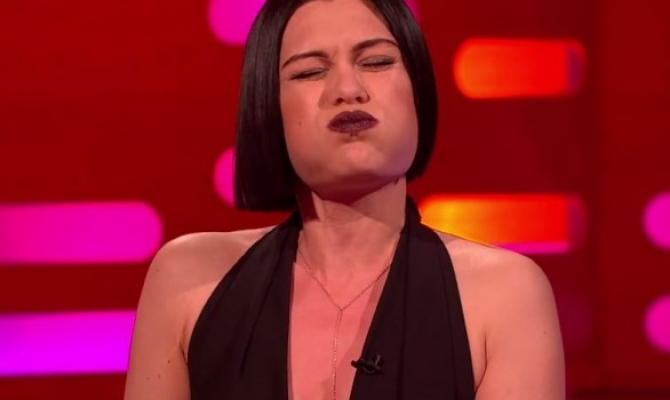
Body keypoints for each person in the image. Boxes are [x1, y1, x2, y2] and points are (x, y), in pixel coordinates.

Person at [124, 0, 565, 398]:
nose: (348, 88)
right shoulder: (189, 282)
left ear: (418, 92)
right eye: (309, 72)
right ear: (267, 107)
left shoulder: (504, 295)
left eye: (376, 62)